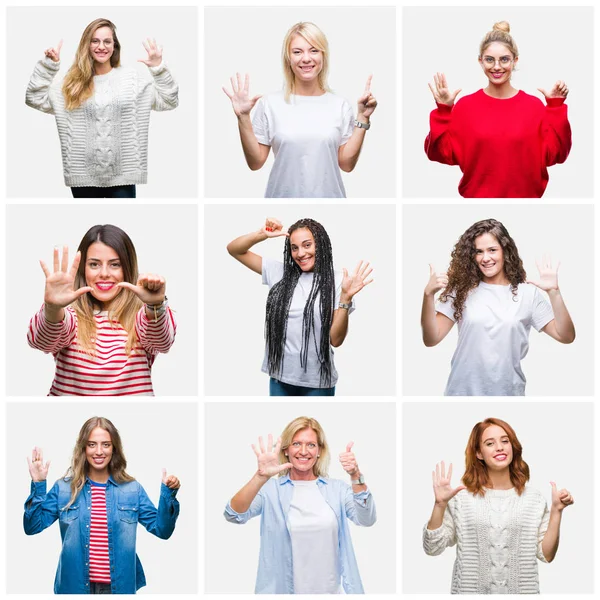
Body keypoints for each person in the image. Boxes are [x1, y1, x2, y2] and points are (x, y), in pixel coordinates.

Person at [24, 416, 181, 594]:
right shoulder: (63, 488)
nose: (99, 451)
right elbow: (32, 527)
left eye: (105, 444)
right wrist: (38, 484)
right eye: (92, 444)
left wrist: (168, 493)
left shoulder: (132, 489)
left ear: (114, 448)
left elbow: (162, 530)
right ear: (83, 448)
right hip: (73, 588)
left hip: (118, 589)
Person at [26, 18, 179, 198]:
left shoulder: (131, 81)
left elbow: (169, 100)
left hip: (123, 177)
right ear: (87, 45)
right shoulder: (72, 84)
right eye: (95, 41)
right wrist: (48, 66)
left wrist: (158, 67)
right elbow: (34, 98)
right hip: (82, 176)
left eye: (107, 41)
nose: (101, 46)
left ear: (114, 46)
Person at [222, 21, 377, 198]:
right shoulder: (270, 104)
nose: (306, 58)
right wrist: (243, 117)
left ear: (323, 56)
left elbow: (346, 164)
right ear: (288, 58)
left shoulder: (339, 105)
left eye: (314, 50)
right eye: (297, 52)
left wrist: (363, 118)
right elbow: (255, 162)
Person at [421, 218, 575, 395]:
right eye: (478, 252)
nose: (485, 258)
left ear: (505, 251)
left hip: (508, 394)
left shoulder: (527, 294)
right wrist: (428, 296)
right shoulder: (460, 291)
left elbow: (566, 336)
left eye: (492, 250)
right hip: (462, 393)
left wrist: (554, 293)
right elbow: (431, 339)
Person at [224, 416, 376, 593]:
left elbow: (366, 519)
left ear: (319, 451)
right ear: (286, 449)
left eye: (311, 445)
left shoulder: (337, 490)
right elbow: (233, 514)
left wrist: (355, 475)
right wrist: (260, 477)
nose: (304, 451)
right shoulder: (270, 490)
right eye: (296, 444)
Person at [423, 417, 574, 594]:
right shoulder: (461, 499)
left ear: (513, 447)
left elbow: (546, 555)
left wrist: (557, 511)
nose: (500, 447)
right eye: (489, 443)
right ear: (479, 453)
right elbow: (432, 548)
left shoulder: (534, 499)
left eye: (505, 441)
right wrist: (439, 505)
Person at [227, 217, 373, 396]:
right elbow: (234, 249)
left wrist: (345, 298)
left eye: (307, 245)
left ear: (320, 245)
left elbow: (336, 340)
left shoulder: (338, 281)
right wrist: (262, 234)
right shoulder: (279, 272)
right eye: (294, 248)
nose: (300, 253)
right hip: (280, 377)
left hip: (317, 381)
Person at [425, 21, 571, 198]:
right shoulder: (466, 107)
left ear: (515, 60)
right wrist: (444, 111)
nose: (496, 66)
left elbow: (557, 155)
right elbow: (439, 153)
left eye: (504, 59)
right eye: (489, 59)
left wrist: (555, 107)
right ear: (480, 61)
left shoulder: (533, 107)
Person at [27, 224, 176, 395]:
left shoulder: (143, 317)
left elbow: (163, 343)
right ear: (84, 269)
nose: (104, 273)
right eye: (94, 264)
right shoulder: (69, 317)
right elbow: (40, 342)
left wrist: (155, 306)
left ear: (127, 269)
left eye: (115, 265)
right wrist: (53, 308)